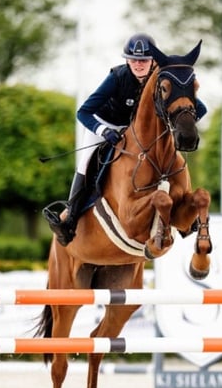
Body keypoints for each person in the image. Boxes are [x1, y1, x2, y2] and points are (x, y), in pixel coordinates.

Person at [43, 33, 207, 246]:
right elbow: (83, 112)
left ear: (153, 61)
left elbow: (199, 108)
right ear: (127, 60)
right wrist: (103, 131)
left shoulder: (162, 79)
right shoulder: (117, 77)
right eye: (133, 59)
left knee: (171, 157)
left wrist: (178, 125)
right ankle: (70, 220)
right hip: (105, 124)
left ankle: (187, 216)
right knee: (85, 163)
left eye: (143, 60)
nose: (138, 64)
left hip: (137, 131)